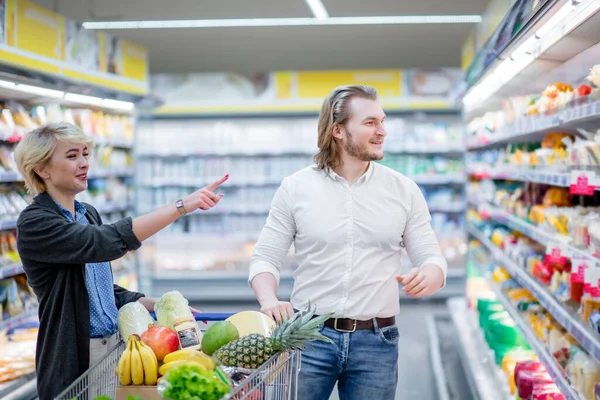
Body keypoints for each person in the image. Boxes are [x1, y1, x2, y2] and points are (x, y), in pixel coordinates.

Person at [248, 85, 447, 400]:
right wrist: (268, 299)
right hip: (308, 337)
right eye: (370, 123)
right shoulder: (295, 188)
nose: (381, 131)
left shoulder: (404, 190)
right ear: (337, 130)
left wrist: (432, 275)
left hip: (377, 343)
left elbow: (431, 257)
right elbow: (265, 259)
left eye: (382, 122)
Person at [14, 122, 228, 399]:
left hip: (116, 349)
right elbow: (105, 242)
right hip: (74, 355)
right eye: (72, 156)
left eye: (85, 154)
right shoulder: (35, 223)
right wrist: (181, 206)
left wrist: (152, 303)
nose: (84, 163)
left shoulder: (87, 213)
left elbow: (98, 288)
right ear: (42, 169)